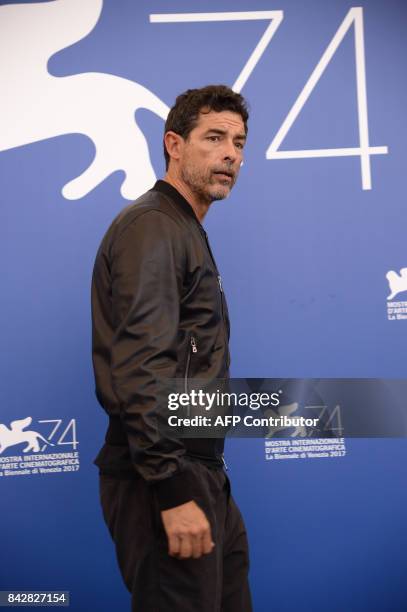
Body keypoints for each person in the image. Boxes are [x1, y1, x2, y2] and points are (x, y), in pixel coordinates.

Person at [91, 84, 252, 611]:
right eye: (214, 137)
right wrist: (171, 489)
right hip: (164, 477)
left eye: (239, 142)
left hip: (201, 471)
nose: (231, 152)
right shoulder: (154, 228)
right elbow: (141, 368)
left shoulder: (183, 228)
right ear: (174, 145)